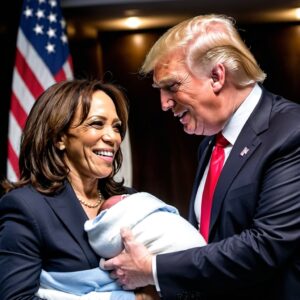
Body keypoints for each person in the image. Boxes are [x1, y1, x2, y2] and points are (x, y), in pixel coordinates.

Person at [102, 14, 300, 300]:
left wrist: (152, 269)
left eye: (172, 86)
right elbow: (206, 242)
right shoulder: (210, 144)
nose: (164, 103)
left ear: (217, 76)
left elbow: (265, 246)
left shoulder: (291, 132)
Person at [0, 79, 155, 300]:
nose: (113, 137)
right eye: (97, 123)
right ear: (59, 137)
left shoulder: (130, 200)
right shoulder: (26, 207)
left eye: (116, 126)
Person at [36, 192, 206, 299]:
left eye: (117, 131)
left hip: (198, 267)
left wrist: (148, 269)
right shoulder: (31, 205)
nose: (111, 137)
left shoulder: (136, 200)